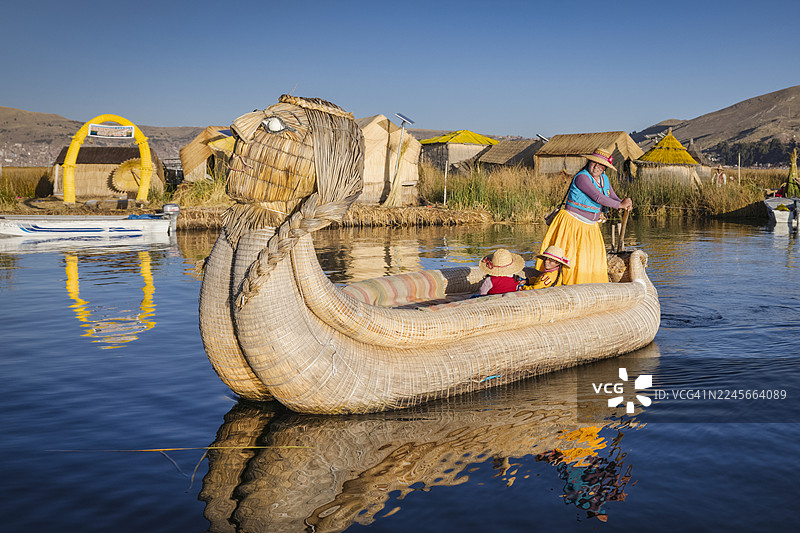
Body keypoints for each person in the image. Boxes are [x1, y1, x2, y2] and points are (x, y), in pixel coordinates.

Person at [538, 147, 632, 285]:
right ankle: (564, 285)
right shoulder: (582, 177)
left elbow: (611, 195)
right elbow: (598, 197)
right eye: (594, 162)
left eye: (601, 165)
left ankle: (590, 288)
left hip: (590, 227)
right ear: (589, 162)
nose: (597, 167)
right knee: (573, 259)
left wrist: (625, 202)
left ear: (605, 167)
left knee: (591, 260)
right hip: (573, 224)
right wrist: (620, 205)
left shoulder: (604, 178)